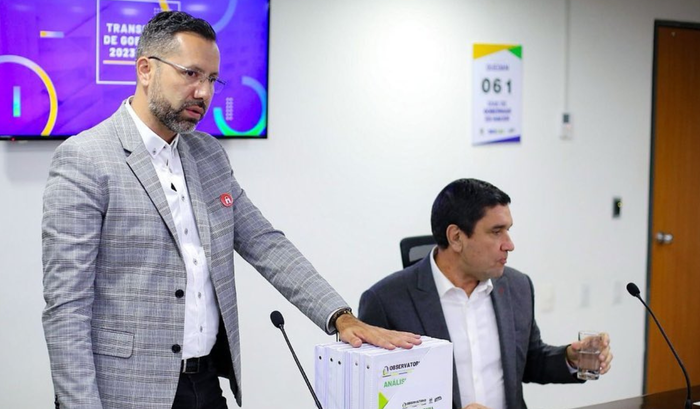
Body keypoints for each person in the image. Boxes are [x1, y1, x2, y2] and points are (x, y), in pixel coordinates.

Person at [41, 11, 420, 409]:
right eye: (191, 74)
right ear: (146, 70)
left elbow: (266, 243)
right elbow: (66, 307)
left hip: (205, 383)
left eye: (211, 79)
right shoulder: (85, 159)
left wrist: (341, 317)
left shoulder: (208, 155)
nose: (203, 92)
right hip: (125, 392)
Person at [358, 178, 613, 409]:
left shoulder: (517, 286)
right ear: (456, 237)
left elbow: (528, 361)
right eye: (496, 231)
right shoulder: (385, 301)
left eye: (508, 230)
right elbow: (371, 399)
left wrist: (571, 358)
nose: (509, 244)